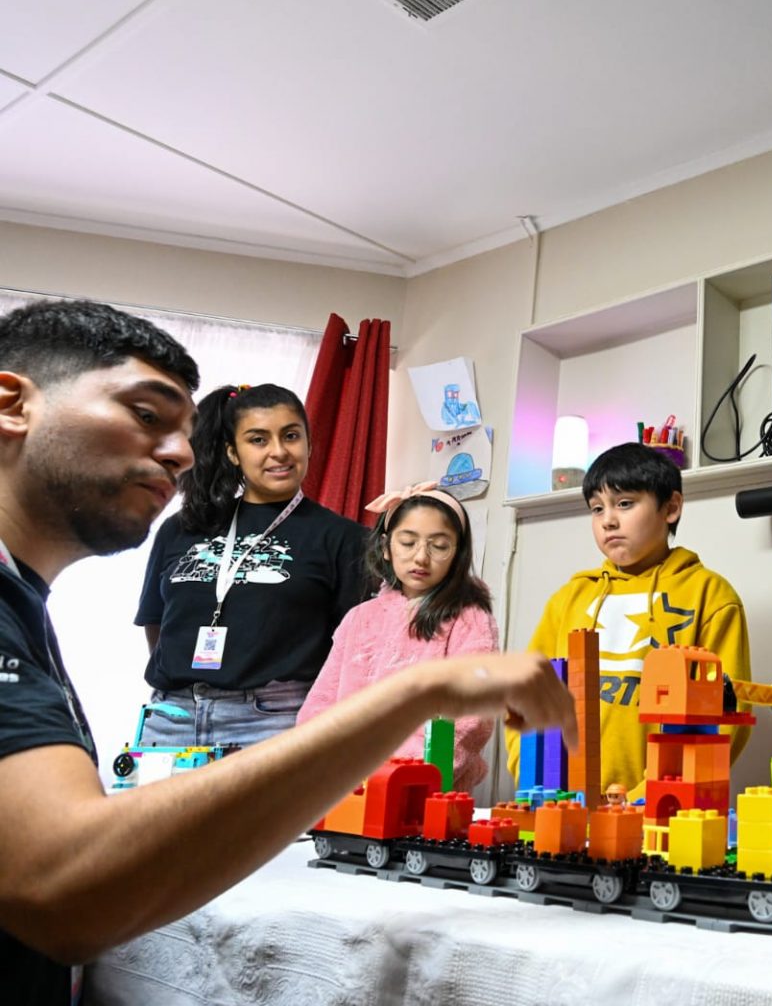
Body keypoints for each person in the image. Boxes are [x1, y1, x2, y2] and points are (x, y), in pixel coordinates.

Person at [0, 299, 575, 1006]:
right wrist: (421, 693)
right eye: (147, 415)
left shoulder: (23, 603)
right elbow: (64, 892)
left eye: (184, 431)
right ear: (11, 404)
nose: (180, 453)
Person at [505, 442, 752, 796]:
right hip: (563, 806)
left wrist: (647, 797)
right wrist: (539, 785)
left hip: (662, 813)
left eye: (624, 503)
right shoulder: (569, 599)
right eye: (596, 508)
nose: (608, 520)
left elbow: (726, 713)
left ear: (671, 507)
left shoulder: (711, 596)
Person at [135, 383, 369, 748]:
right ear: (233, 452)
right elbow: (156, 621)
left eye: (291, 436)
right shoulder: (182, 527)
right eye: (258, 440)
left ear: (309, 443)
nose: (279, 452)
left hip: (274, 723)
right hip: (170, 720)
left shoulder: (345, 539)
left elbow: (354, 648)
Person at [297, 482, 498, 791]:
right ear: (385, 547)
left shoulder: (469, 618)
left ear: (457, 554)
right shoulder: (359, 618)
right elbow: (321, 704)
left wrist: (402, 774)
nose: (421, 557)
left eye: (439, 545)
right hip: (345, 787)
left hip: (423, 789)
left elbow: (472, 711)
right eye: (407, 542)